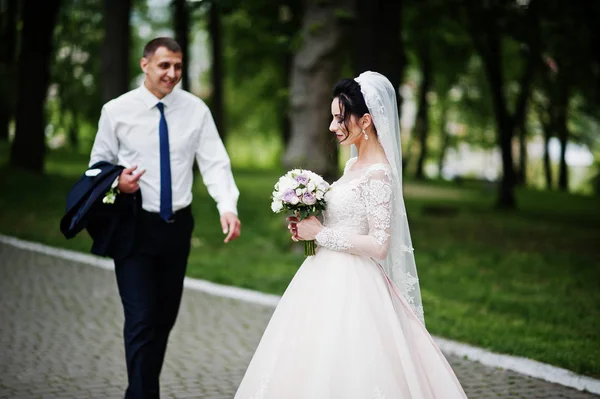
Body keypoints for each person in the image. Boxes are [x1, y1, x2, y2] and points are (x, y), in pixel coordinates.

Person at [234, 72, 466, 398]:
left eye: (340, 118)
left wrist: (322, 234)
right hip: (321, 276)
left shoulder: (378, 174)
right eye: (332, 118)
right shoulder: (352, 166)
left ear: (366, 120)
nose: (332, 127)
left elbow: (380, 245)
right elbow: (345, 219)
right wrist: (308, 225)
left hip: (355, 284)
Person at [89, 37, 241, 398]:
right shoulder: (116, 111)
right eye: (164, 66)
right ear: (145, 65)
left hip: (177, 228)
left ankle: (142, 391)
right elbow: (98, 166)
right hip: (134, 227)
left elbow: (214, 162)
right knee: (141, 319)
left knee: (162, 321)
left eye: (177, 66)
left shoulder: (196, 110)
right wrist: (118, 181)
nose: (172, 74)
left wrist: (227, 206)